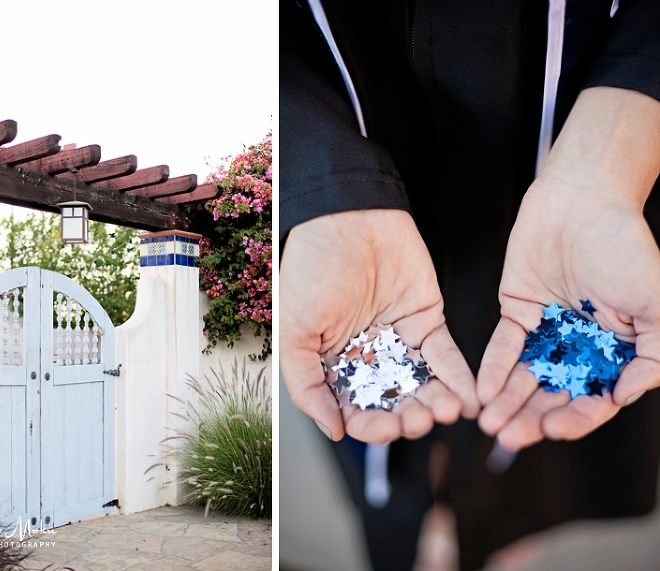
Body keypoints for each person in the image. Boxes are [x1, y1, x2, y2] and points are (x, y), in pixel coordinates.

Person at [280, 0, 660, 569]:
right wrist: (323, 187)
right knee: (398, 434)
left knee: (531, 438)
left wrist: (611, 163)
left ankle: (499, 529)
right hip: (366, 195)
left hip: (571, 191)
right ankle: (426, 517)